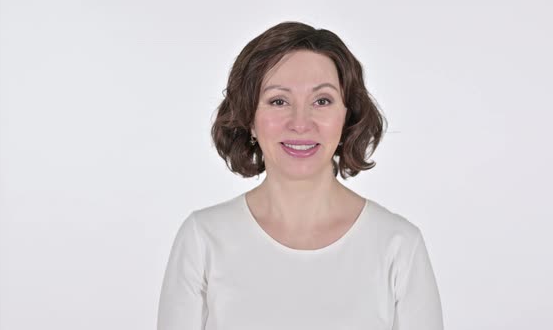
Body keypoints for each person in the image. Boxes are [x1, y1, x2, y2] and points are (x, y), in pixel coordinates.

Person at [157, 21, 444, 330]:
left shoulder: (398, 245)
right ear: (249, 118)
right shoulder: (203, 239)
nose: (300, 123)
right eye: (278, 101)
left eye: (322, 101)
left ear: (348, 117)